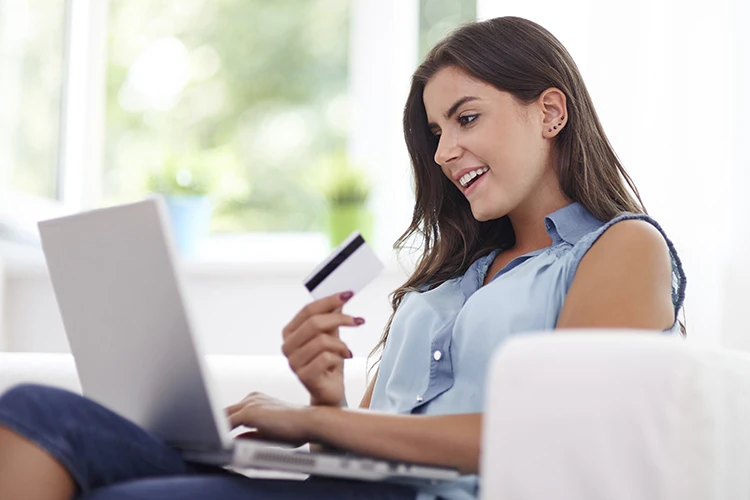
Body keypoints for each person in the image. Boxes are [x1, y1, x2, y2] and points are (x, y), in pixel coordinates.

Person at [0, 15, 686, 500]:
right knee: (33, 411)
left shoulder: (620, 248)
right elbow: (371, 447)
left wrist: (311, 419)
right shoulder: (451, 276)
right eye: (435, 131)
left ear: (551, 112)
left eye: (466, 118)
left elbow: (556, 439)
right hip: (346, 489)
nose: (444, 152)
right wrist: (329, 398)